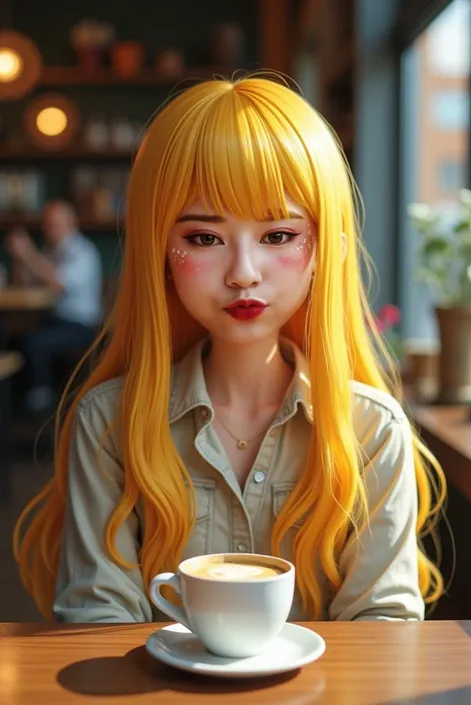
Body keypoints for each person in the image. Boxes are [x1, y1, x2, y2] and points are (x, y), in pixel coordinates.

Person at [13, 74, 447, 623]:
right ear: (161, 252)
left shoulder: (372, 429)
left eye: (278, 236)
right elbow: (98, 619)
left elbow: (382, 630)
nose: (243, 274)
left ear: (325, 252)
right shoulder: (108, 424)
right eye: (203, 238)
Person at [5, 200, 103, 412]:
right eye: (47, 224)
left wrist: (29, 253)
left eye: (55, 223)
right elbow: (24, 284)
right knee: (14, 341)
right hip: (52, 320)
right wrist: (20, 259)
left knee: (35, 343)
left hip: (81, 326)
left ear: (71, 223)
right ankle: (17, 407)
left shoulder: (82, 251)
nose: (50, 229)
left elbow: (57, 283)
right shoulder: (51, 251)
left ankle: (42, 403)